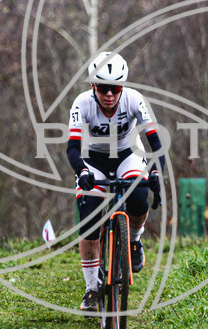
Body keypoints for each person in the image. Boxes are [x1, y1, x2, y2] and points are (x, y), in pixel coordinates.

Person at [67, 51, 165, 311]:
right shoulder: (81, 103)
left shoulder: (134, 100)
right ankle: (91, 290)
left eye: (115, 88)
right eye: (103, 88)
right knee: (89, 217)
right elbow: (73, 148)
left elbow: (156, 143)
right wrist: (81, 172)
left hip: (127, 155)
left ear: (123, 87)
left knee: (137, 196)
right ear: (93, 86)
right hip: (93, 159)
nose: (109, 95)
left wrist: (156, 172)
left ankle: (133, 240)